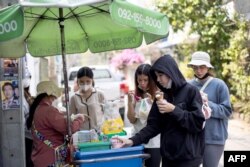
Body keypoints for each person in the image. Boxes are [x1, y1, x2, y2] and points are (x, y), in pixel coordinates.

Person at [115, 55, 205, 167]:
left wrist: (174, 110)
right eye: (156, 76)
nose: (158, 80)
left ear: (170, 72)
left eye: (160, 75)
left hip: (188, 159)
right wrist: (132, 141)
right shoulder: (164, 96)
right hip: (168, 157)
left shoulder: (191, 91)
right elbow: (153, 126)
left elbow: (198, 122)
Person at [187, 51, 232, 167]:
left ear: (208, 67)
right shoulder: (189, 86)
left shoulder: (219, 85)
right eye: (195, 67)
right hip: (193, 137)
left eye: (202, 67)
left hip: (214, 138)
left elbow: (227, 111)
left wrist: (207, 104)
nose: (199, 71)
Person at [26, 81, 85, 167]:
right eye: (54, 96)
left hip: (40, 158)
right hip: (50, 159)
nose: (55, 98)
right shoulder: (48, 111)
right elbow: (69, 128)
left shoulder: (38, 109)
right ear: (49, 95)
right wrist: (80, 119)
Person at [127, 64, 161, 167]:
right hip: (137, 139)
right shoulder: (135, 95)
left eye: (145, 80)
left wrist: (153, 101)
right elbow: (132, 120)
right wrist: (130, 102)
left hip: (154, 142)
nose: (142, 83)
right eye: (139, 80)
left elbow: (161, 119)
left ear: (151, 79)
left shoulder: (158, 94)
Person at [69, 66, 106, 131]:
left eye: (88, 81)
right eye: (82, 82)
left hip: (99, 132)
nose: (85, 84)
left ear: (92, 80)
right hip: (82, 134)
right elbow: (71, 117)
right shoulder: (74, 98)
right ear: (77, 81)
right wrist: (77, 117)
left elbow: (107, 114)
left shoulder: (99, 95)